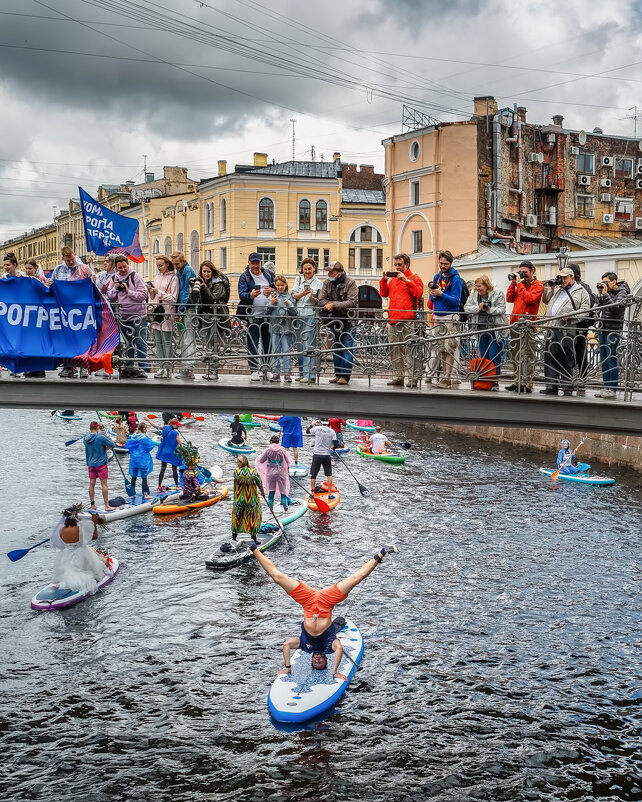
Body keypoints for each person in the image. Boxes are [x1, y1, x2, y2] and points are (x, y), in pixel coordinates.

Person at [240, 543, 399, 680]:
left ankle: (253, 548)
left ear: (311, 660)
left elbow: (287, 645)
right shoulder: (329, 647)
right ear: (325, 660)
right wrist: (335, 672)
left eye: (315, 662)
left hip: (307, 600)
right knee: (356, 578)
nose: (317, 660)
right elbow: (340, 649)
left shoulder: (305, 646)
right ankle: (382, 552)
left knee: (276, 577)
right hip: (327, 600)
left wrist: (288, 667)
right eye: (320, 662)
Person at [540, 267, 591, 396]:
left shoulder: (581, 291)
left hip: (566, 329)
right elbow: (545, 300)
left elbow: (585, 310)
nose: (562, 280)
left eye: (564, 278)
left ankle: (567, 387)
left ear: (572, 278)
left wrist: (571, 315)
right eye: (561, 277)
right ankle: (551, 386)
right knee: (550, 357)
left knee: (567, 358)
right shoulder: (557, 289)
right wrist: (550, 288)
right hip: (552, 327)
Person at [380, 252, 424, 388]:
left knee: (410, 350)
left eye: (400, 265)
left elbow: (418, 293)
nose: (397, 267)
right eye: (396, 265)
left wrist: (406, 281)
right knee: (395, 349)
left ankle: (413, 378)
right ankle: (398, 376)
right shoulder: (393, 280)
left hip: (408, 320)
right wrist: (383, 280)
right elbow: (383, 293)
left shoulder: (414, 277)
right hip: (393, 320)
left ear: (407, 264)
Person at [51, 247, 95, 378]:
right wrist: (50, 283)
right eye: (68, 260)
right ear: (63, 258)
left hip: (82, 311)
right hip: (65, 311)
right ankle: (69, 367)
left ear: (74, 255)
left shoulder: (84, 268)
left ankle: (83, 366)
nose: (70, 262)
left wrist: (92, 279)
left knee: (82, 338)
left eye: (72, 259)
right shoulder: (58, 270)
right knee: (67, 339)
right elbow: (52, 285)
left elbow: (94, 281)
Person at [50, 504, 112, 595]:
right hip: (82, 556)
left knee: (69, 571)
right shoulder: (81, 526)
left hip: (66, 556)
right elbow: (95, 537)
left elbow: (61, 545)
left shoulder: (61, 529)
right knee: (96, 568)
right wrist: (94, 523)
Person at [106, 255, 149, 379]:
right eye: (120, 268)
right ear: (116, 267)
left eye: (124, 266)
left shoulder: (135, 276)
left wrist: (128, 291)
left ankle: (143, 367)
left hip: (138, 314)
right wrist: (115, 289)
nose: (123, 269)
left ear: (128, 264)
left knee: (140, 341)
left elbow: (143, 295)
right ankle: (129, 367)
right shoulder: (114, 278)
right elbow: (110, 296)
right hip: (124, 315)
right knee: (129, 343)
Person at [505, 260, 544, 394]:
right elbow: (509, 298)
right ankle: (517, 381)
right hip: (515, 324)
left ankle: (527, 383)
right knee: (515, 355)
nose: (523, 275)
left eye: (525, 272)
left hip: (527, 326)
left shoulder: (538, 285)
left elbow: (529, 299)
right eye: (521, 272)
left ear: (532, 271)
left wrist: (519, 284)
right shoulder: (519, 284)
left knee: (527, 355)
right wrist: (513, 283)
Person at [464, 274, 508, 391]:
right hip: (481, 330)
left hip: (495, 330)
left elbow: (502, 309)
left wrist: (490, 309)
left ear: (486, 286)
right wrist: (478, 309)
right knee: (483, 356)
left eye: (480, 286)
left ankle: (494, 382)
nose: (477, 288)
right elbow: (466, 307)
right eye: (476, 286)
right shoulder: (473, 294)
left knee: (494, 356)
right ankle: (484, 381)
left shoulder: (497, 293)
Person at [318, 261, 359, 385]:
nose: (329, 274)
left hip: (349, 320)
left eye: (332, 272)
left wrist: (333, 304)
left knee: (347, 347)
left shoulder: (350, 282)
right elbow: (321, 300)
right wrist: (331, 305)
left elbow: (352, 301)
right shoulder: (327, 283)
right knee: (336, 347)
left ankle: (345, 376)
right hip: (334, 320)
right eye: (329, 272)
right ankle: (338, 374)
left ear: (339, 273)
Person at [237, 252, 276, 381]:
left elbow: (278, 287)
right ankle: (253, 370)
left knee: (267, 343)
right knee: (252, 343)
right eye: (252, 263)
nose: (255, 266)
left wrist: (272, 290)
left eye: (257, 263)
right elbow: (242, 294)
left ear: (260, 262)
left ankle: (266, 368)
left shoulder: (268, 274)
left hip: (268, 315)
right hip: (252, 316)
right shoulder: (245, 277)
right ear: (249, 263)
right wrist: (251, 295)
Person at [428, 250, 464, 389]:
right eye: (441, 263)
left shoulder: (456, 279)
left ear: (450, 263)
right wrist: (435, 295)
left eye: (445, 264)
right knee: (441, 347)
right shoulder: (437, 277)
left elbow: (456, 301)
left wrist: (441, 294)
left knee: (450, 347)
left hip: (450, 316)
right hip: (438, 316)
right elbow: (431, 298)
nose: (442, 266)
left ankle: (447, 377)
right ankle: (444, 376)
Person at [190, 260, 231, 374]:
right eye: (204, 271)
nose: (206, 274)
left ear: (212, 271)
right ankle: (210, 370)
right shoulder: (201, 281)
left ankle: (214, 371)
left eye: (208, 272)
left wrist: (204, 288)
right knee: (208, 344)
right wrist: (192, 290)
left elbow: (213, 298)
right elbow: (195, 301)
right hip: (205, 316)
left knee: (215, 344)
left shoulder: (218, 282)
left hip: (218, 317)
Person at [595, 272, 630, 399]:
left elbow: (616, 307)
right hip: (604, 328)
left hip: (613, 330)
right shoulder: (607, 292)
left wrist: (605, 294)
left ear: (614, 281)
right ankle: (606, 387)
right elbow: (600, 306)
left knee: (611, 359)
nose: (605, 284)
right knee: (604, 359)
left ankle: (612, 388)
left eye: (607, 282)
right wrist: (600, 295)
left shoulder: (622, 292)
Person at [292, 258, 324, 383]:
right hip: (299, 314)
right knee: (299, 345)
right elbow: (294, 295)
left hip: (311, 315)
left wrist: (312, 297)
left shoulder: (319, 283)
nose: (307, 271)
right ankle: (302, 373)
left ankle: (310, 374)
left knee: (308, 345)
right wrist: (303, 293)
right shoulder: (298, 279)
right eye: (305, 269)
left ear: (314, 269)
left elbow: (320, 301)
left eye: (309, 268)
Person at [568, 263, 596, 397]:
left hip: (574, 325)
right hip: (582, 327)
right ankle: (581, 382)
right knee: (581, 354)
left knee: (571, 352)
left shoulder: (579, 288)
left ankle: (570, 381)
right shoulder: (586, 287)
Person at [148, 255, 178, 379]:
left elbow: (173, 298)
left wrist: (158, 292)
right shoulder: (157, 277)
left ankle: (168, 368)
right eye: (157, 266)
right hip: (156, 312)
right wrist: (150, 291)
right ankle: (161, 367)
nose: (159, 268)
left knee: (167, 342)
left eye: (161, 265)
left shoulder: (174, 278)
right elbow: (154, 296)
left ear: (167, 265)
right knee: (158, 342)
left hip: (167, 313)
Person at [266, 274, 298, 383]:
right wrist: (271, 304)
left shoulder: (289, 297)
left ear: (285, 285)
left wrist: (289, 305)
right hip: (275, 327)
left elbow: (295, 313)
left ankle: (287, 374)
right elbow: (266, 312)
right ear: (275, 285)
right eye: (278, 285)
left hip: (287, 328)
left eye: (282, 285)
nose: (280, 287)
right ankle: (276, 374)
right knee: (275, 351)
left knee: (286, 351)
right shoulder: (272, 297)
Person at [171, 250, 197, 381]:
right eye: (174, 264)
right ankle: (186, 367)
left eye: (177, 264)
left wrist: (180, 308)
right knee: (184, 338)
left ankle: (189, 367)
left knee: (188, 338)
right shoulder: (181, 271)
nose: (175, 266)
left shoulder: (188, 271)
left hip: (188, 309)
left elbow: (187, 291)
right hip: (184, 308)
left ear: (183, 261)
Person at [83, 421, 115, 511]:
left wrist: (104, 447)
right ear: (97, 428)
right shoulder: (101, 437)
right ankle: (107, 506)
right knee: (104, 485)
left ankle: (92, 504)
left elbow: (92, 445)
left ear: (90, 428)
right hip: (101, 464)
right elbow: (112, 445)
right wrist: (107, 437)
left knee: (91, 484)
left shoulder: (85, 439)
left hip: (90, 465)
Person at [256, 435, 292, 511]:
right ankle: (286, 510)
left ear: (271, 442)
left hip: (270, 474)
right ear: (278, 442)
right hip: (280, 473)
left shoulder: (268, 451)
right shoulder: (282, 451)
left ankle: (270, 510)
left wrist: (263, 454)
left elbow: (261, 461)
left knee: (271, 491)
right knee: (283, 491)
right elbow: (288, 462)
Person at [231, 455, 263, 541]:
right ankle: (254, 539)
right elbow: (260, 484)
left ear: (242, 462)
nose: (237, 463)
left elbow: (235, 486)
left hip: (239, 499)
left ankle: (234, 538)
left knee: (237, 517)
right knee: (253, 518)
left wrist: (235, 498)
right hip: (251, 500)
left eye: (238, 462)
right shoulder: (253, 472)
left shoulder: (236, 473)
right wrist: (262, 493)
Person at [124, 422, 156, 498]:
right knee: (144, 477)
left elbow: (127, 446)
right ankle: (145, 494)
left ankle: (132, 494)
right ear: (144, 429)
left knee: (133, 477)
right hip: (142, 460)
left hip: (134, 460)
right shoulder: (144, 439)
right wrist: (147, 437)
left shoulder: (133, 437)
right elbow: (151, 445)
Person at [308, 420, 338, 499]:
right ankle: (330, 494)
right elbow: (336, 444)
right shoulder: (332, 431)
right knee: (329, 474)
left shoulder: (317, 428)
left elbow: (308, 431)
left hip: (317, 454)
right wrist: (333, 447)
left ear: (321, 423)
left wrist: (312, 424)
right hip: (326, 455)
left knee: (313, 475)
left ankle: (312, 493)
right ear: (328, 423)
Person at [156, 418, 182, 489]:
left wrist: (148, 420)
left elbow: (156, 426)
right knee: (174, 468)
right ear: (173, 424)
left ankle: (159, 485)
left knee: (163, 468)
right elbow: (180, 443)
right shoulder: (175, 433)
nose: (178, 427)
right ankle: (177, 486)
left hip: (164, 452)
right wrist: (181, 446)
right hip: (172, 453)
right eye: (177, 425)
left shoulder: (165, 428)